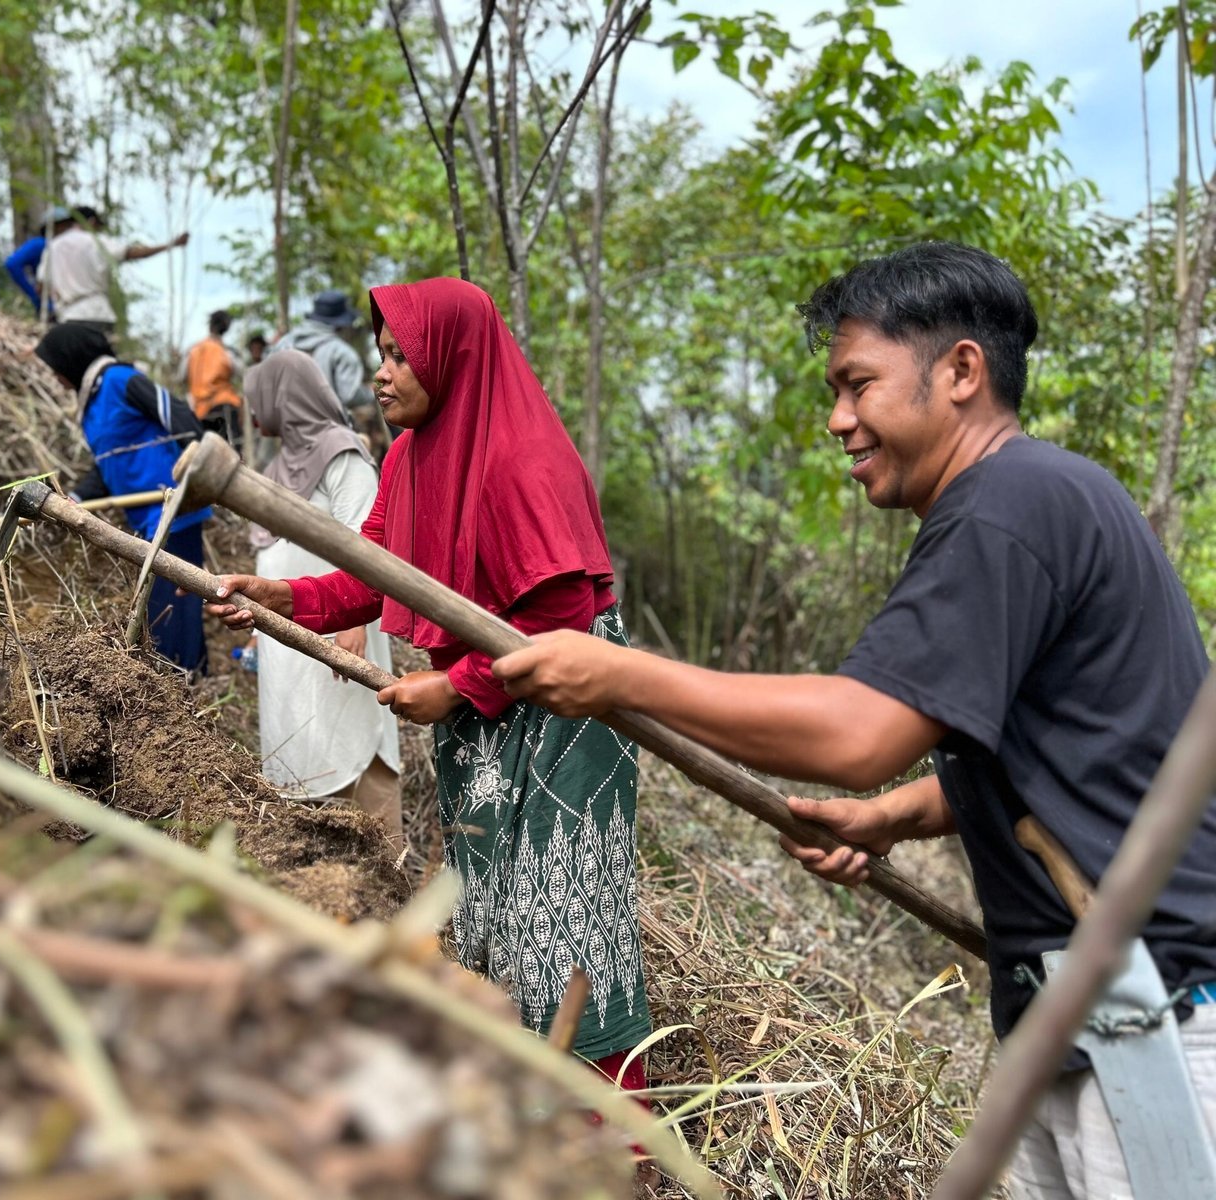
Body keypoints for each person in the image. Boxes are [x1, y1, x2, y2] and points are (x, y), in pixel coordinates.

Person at [491, 242, 1216, 1198]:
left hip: (1155, 1010)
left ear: (961, 370)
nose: (838, 419)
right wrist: (897, 817)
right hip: (1080, 1018)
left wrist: (622, 677)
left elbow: (858, 733)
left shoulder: (1006, 507)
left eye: (857, 384)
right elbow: (1083, 748)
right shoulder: (1032, 499)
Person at [207, 278, 652, 1090]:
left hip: (565, 708)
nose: (382, 373)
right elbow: (374, 576)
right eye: (381, 354)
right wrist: (286, 598)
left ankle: (604, 1119)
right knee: (486, 896)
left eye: (401, 355)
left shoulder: (524, 460)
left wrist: (455, 689)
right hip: (490, 698)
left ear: (452, 356)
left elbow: (557, 617)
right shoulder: (413, 456)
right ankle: (515, 1087)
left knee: (560, 907)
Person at [243, 350, 402, 841]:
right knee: (299, 746)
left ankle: (383, 880)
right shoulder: (274, 469)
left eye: (261, 396)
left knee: (351, 742)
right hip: (287, 641)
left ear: (284, 398)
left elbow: (365, 544)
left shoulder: (343, 453)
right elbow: (270, 556)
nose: (253, 409)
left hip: (340, 630)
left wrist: (352, 621)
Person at [34, 324, 211, 673]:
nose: (55, 376)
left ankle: (181, 680)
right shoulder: (91, 403)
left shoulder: (119, 380)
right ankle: (189, 673)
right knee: (164, 603)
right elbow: (108, 463)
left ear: (71, 360)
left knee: (171, 603)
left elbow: (178, 415)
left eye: (55, 367)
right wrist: (75, 496)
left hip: (173, 509)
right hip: (144, 519)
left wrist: (199, 472)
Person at [38, 206, 190, 334]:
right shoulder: (94, 241)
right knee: (100, 364)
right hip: (99, 314)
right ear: (91, 222)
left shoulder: (52, 248)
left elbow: (42, 287)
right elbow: (132, 253)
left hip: (68, 316)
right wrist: (170, 245)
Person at [269, 289, 374, 417]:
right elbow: (349, 395)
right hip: (328, 429)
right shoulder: (341, 352)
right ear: (341, 324)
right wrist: (370, 392)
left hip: (288, 428)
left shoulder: (283, 344)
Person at [181, 310, 244, 444]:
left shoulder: (193, 350)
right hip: (223, 404)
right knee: (232, 449)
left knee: (209, 453)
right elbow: (241, 372)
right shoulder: (225, 350)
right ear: (226, 328)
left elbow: (181, 375)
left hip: (199, 411)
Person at [4, 205, 69, 318]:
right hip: (51, 308)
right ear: (55, 226)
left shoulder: (69, 247)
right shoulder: (41, 245)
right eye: (66, 225)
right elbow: (12, 264)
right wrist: (34, 295)